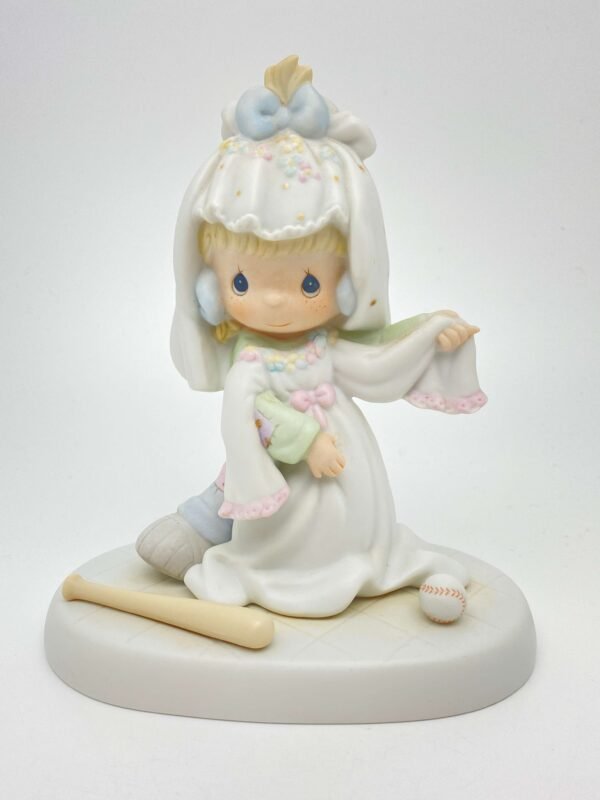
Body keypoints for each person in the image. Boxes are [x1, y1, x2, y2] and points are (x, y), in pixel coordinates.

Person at [136, 55, 486, 619]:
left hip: (348, 469)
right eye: (243, 282)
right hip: (290, 471)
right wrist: (306, 442)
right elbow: (253, 415)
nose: (276, 302)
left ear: (348, 284)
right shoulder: (250, 363)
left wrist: (431, 334)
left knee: (358, 523)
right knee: (286, 529)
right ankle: (283, 565)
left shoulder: (325, 347)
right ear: (211, 289)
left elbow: (375, 359)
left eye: (307, 283)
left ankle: (360, 552)